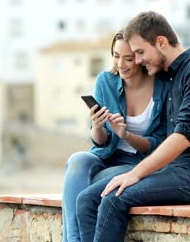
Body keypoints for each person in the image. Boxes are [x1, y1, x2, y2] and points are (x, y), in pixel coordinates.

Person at [75, 11, 190, 242]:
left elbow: (184, 135)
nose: (137, 60)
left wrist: (135, 174)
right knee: (87, 199)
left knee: (114, 198)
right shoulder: (168, 78)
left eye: (140, 52)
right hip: (172, 171)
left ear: (161, 42)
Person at [62, 30, 167, 242]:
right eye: (116, 56)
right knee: (77, 160)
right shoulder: (105, 81)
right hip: (107, 156)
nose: (121, 64)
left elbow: (157, 145)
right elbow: (100, 141)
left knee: (93, 185)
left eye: (128, 58)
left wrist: (126, 134)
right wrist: (97, 125)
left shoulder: (162, 86)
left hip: (138, 163)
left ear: (140, 57)